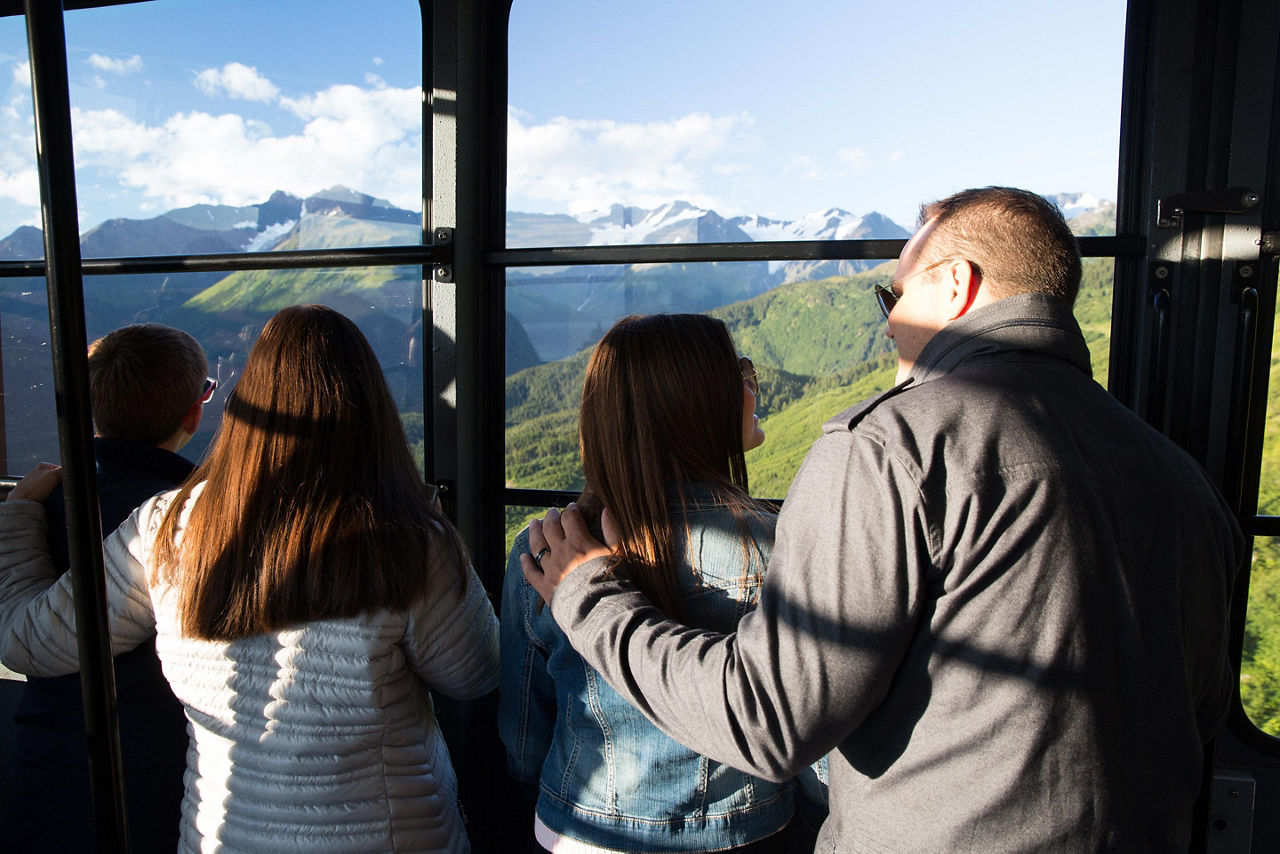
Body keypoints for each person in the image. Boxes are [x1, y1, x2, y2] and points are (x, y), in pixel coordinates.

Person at [522, 188, 1243, 851]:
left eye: (891, 296)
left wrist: (590, 597)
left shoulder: (891, 447)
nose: (888, 323)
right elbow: (1197, 710)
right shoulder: (1183, 480)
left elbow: (769, 720)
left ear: (955, 285)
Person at [0, 305, 499, 853]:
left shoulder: (168, 525)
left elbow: (32, 640)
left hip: (220, 837)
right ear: (372, 408)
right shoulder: (412, 541)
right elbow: (475, 674)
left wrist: (19, 520)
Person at [499, 313, 825, 853]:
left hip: (582, 830)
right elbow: (809, 730)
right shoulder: (783, 547)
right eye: (741, 372)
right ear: (697, 405)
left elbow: (523, 739)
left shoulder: (545, 548)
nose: (752, 386)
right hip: (747, 833)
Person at [3, 322, 211, 854]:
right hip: (173, 768)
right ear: (194, 411)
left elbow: (17, 623)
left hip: (48, 762)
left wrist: (18, 513)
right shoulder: (203, 521)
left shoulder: (47, 507)